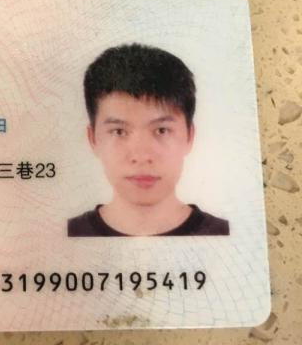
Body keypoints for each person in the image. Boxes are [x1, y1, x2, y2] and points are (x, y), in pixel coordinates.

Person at [68, 43, 229, 237]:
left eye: (161, 130)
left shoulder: (222, 235)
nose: (142, 156)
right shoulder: (68, 235)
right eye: (119, 131)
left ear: (189, 136)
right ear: (93, 139)